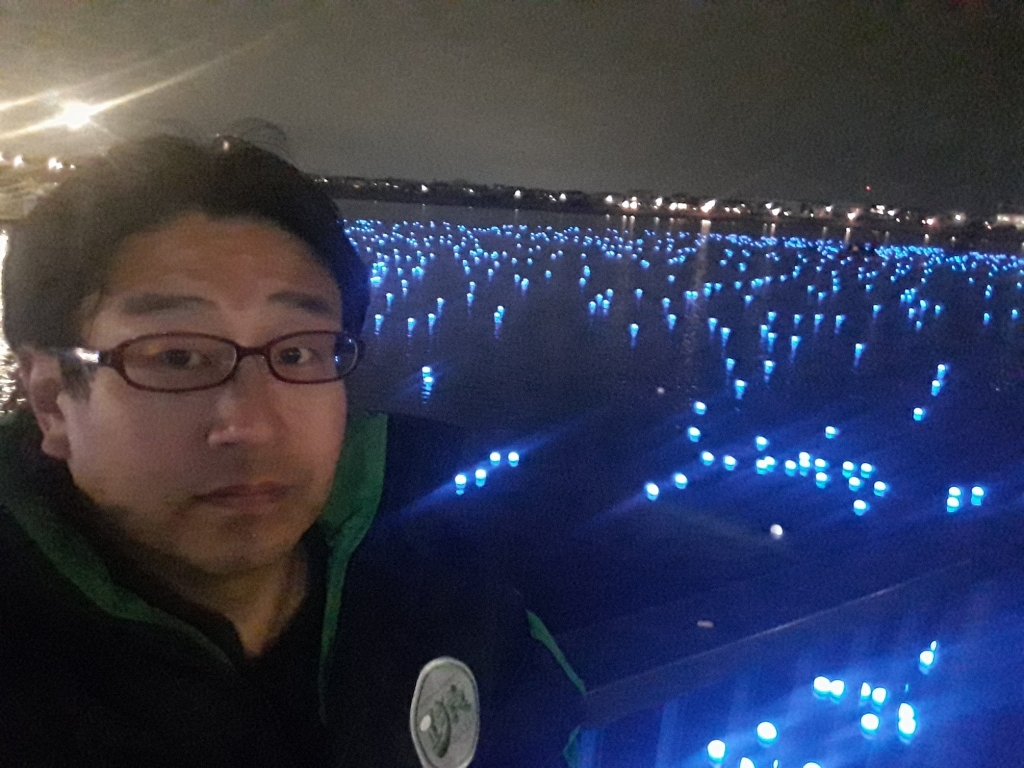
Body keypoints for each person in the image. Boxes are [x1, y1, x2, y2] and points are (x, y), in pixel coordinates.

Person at [0, 135, 585, 767]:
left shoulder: (445, 577)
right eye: (177, 357)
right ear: (52, 401)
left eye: (298, 352)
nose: (250, 425)